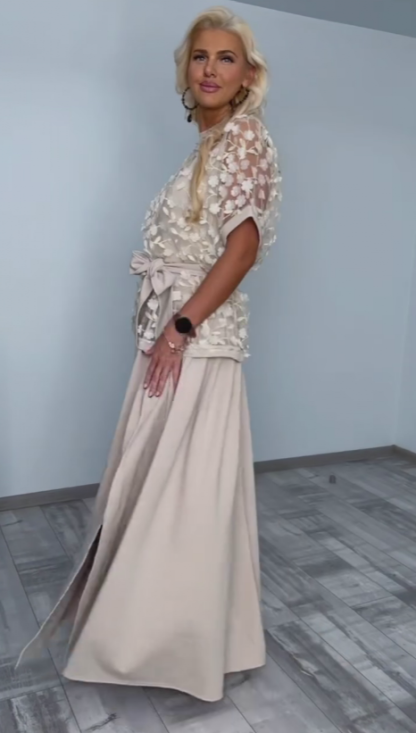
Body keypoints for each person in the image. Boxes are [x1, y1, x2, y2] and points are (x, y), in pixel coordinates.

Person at [18, 5, 281, 702]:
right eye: (200, 56)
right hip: (173, 334)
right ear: (186, 71)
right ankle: (171, 636)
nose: (211, 69)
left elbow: (243, 248)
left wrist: (181, 327)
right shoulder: (208, 147)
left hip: (196, 340)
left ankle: (158, 643)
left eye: (226, 58)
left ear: (248, 74)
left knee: (181, 492)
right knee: (166, 487)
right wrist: (166, 326)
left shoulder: (246, 138)